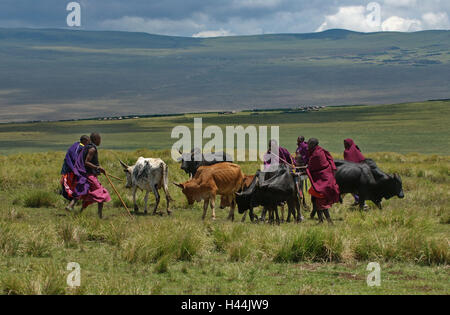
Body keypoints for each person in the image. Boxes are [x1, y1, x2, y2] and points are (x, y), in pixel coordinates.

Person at [74, 133, 111, 218]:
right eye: (99, 139)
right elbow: (86, 162)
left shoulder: (87, 147)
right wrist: (98, 168)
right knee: (101, 193)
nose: (100, 141)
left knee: (88, 194)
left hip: (87, 175)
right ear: (96, 139)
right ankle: (100, 216)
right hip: (89, 176)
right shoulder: (92, 149)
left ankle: (79, 213)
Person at [306, 138, 340, 224]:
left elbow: (311, 167)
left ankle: (329, 221)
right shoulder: (319, 150)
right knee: (315, 199)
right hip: (323, 178)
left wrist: (305, 169)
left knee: (321, 201)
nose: (308, 146)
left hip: (323, 180)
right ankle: (320, 220)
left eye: (309, 144)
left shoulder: (316, 154)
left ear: (313, 145)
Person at [60, 135, 90, 211]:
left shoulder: (76, 146)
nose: (89, 143)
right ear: (85, 141)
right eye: (88, 141)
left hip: (71, 170)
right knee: (77, 187)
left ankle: (72, 205)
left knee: (76, 188)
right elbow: (75, 159)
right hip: (70, 171)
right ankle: (71, 205)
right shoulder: (79, 147)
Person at [343, 138, 366, 206]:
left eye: (345, 144)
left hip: (353, 173)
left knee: (350, 188)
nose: (344, 145)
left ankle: (361, 202)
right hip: (363, 171)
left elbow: (347, 163)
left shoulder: (347, 152)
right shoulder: (356, 150)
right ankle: (358, 201)